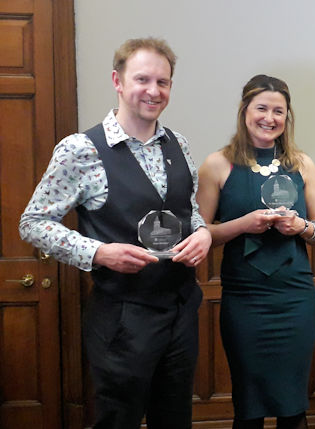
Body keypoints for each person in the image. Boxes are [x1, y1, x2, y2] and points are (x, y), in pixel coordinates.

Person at [19, 37, 211, 428]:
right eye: (142, 79)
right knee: (118, 421)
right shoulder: (80, 150)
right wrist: (98, 253)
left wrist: (204, 233)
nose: (153, 91)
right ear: (118, 81)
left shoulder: (181, 146)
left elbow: (190, 211)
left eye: (163, 82)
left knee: (175, 419)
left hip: (180, 308)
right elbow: (33, 223)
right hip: (123, 318)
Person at [196, 74, 315, 429]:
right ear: (244, 111)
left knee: (293, 407)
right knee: (249, 407)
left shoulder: (303, 164)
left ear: (287, 117)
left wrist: (300, 227)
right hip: (245, 300)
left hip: (295, 298)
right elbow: (200, 233)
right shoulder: (216, 165)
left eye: (278, 111)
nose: (269, 118)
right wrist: (243, 224)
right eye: (261, 108)